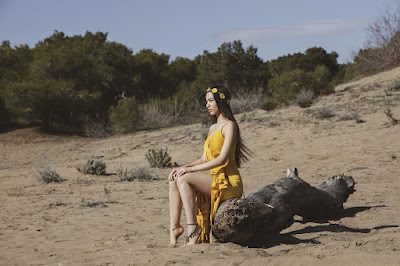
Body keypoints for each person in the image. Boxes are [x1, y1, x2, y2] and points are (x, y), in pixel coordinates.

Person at [168, 85, 250, 246]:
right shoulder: (213, 127)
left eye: (211, 101)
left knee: (184, 179)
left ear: (221, 101)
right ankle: (175, 227)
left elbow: (222, 160)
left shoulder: (230, 126)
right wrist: (182, 167)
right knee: (174, 177)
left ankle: (193, 231)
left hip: (229, 182)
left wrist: (189, 170)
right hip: (214, 179)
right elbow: (204, 158)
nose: (207, 105)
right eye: (206, 102)